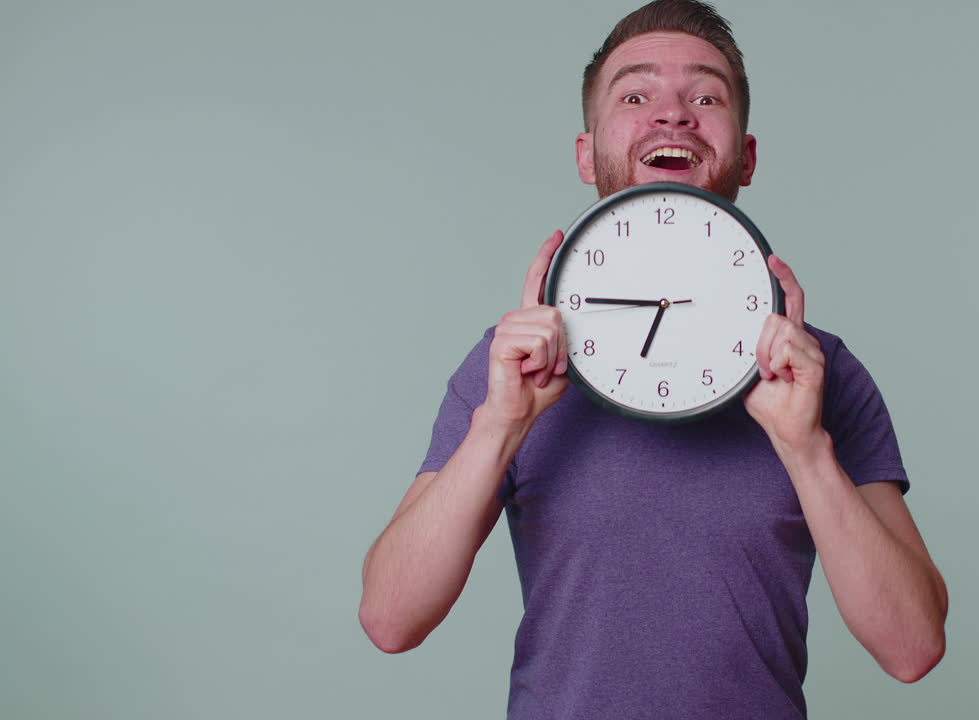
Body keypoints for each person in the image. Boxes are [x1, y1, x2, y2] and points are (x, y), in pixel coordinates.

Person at [359, 1, 947, 716]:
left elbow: (913, 647)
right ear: (586, 153)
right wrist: (499, 426)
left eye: (705, 97)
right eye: (636, 95)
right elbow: (390, 619)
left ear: (748, 156)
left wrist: (806, 449)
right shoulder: (508, 369)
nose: (673, 116)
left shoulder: (819, 373)